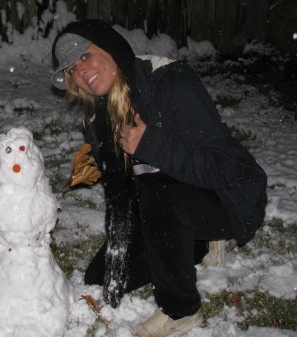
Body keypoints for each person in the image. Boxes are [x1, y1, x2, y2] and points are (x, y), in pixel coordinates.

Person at [50, 20, 267, 337]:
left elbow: (226, 167)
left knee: (158, 188)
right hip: (162, 209)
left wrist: (153, 146)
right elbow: (124, 190)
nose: (80, 72)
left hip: (227, 198)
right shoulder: (98, 117)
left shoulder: (170, 82)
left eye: (85, 56)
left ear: (110, 48)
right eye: (71, 70)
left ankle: (181, 311)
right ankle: (200, 244)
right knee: (102, 278)